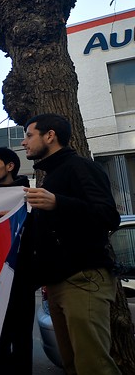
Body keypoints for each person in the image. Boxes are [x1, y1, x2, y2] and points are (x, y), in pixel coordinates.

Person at [22, 113, 120, 375]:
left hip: (83, 280)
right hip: (57, 285)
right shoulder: (51, 175)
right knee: (73, 366)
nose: (24, 142)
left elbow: (109, 216)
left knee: (93, 366)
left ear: (50, 136)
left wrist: (58, 203)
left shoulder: (81, 167)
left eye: (29, 135)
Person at [0, 147, 34, 375]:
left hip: (21, 277)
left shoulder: (28, 196)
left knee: (21, 338)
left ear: (10, 166)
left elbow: (37, 234)